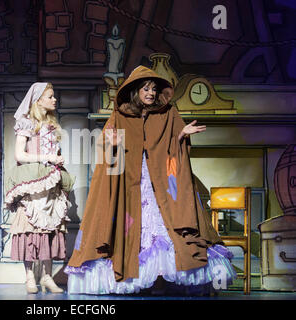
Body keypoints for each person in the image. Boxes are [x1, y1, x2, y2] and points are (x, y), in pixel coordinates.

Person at [65, 65, 236, 295]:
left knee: (164, 226)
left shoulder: (168, 112)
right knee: (134, 226)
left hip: (162, 182)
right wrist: (111, 144)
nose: (151, 93)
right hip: (131, 182)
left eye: (154, 89)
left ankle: (163, 280)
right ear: (137, 91)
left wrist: (182, 136)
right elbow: (105, 148)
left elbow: (172, 152)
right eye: (146, 88)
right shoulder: (120, 115)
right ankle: (138, 279)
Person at [4, 82, 75, 294]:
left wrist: (57, 159)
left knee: (51, 229)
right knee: (29, 229)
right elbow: (20, 155)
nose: (55, 100)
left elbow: (53, 152)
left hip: (50, 181)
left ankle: (46, 276)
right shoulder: (26, 123)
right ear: (38, 100)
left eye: (54, 96)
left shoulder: (52, 125)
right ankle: (29, 277)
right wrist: (47, 157)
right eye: (50, 96)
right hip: (32, 181)